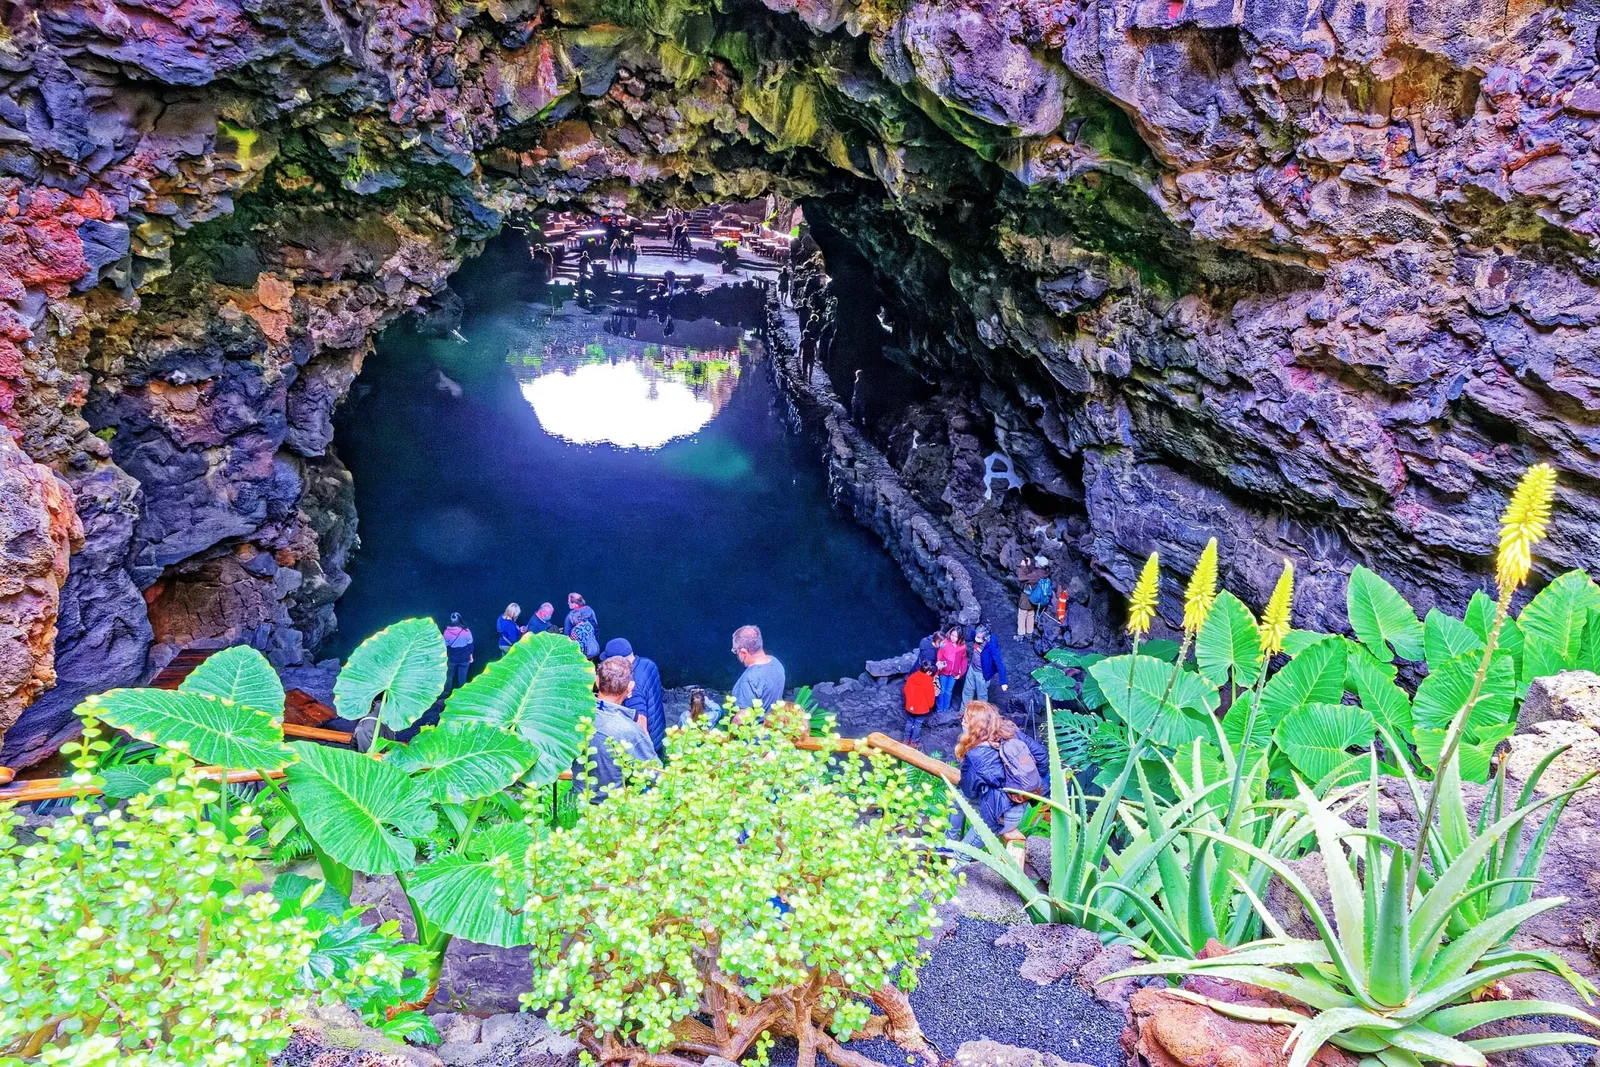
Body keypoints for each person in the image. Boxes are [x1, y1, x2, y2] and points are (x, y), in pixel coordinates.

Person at [948, 701, 1049, 851]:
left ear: (976, 726)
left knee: (962, 854)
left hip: (1000, 815)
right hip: (1015, 805)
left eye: (966, 719)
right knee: (959, 798)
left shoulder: (977, 755)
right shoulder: (1012, 733)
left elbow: (970, 790)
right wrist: (1024, 785)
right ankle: (948, 843)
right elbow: (1042, 757)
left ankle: (950, 844)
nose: (962, 721)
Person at [577, 655, 660, 802]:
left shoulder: (576, 715)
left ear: (596, 681)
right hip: (611, 809)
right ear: (630, 687)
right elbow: (656, 774)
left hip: (576, 800)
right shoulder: (631, 732)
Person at [605, 637, 666, 756]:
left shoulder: (630, 687)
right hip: (659, 731)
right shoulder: (648, 664)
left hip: (649, 745)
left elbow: (640, 727)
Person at [727, 624, 785, 722]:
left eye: (736, 651)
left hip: (753, 735)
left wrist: (730, 736)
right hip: (772, 727)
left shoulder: (749, 679)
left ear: (743, 652)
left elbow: (741, 718)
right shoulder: (776, 663)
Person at [965, 625, 1007, 703]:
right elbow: (971, 633)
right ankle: (963, 710)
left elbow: (999, 663)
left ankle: (982, 714)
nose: (976, 638)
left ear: (985, 638)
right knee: (967, 691)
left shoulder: (992, 646)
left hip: (982, 674)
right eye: (976, 636)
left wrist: (1003, 682)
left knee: (981, 696)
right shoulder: (977, 635)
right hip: (972, 668)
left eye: (979, 637)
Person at [902, 660, 937, 747]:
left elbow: (906, 690)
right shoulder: (928, 681)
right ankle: (914, 741)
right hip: (921, 709)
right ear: (928, 672)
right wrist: (930, 705)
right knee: (917, 724)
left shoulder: (912, 677)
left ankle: (906, 739)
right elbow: (930, 696)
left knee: (909, 722)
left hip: (910, 706)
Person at [934, 625, 967, 714]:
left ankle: (946, 709)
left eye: (956, 636)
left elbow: (963, 660)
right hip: (943, 672)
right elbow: (939, 657)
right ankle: (939, 709)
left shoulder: (962, 647)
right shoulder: (944, 643)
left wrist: (960, 673)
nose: (953, 638)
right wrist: (937, 671)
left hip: (954, 673)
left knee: (948, 691)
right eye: (952, 635)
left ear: (959, 637)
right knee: (942, 691)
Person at [1016, 558, 1050, 639]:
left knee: (1022, 615)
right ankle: (1029, 633)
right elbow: (1031, 574)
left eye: (1037, 562)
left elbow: (1021, 578)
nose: (1036, 563)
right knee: (1030, 614)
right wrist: (1029, 565)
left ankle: (1020, 635)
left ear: (1039, 564)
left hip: (1027, 597)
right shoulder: (1044, 572)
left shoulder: (1036, 574)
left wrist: (1022, 567)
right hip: (1035, 598)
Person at [443, 612, 474, 692]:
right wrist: (471, 656)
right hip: (464, 658)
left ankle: (446, 692)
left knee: (449, 676)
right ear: (460, 620)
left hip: (452, 658)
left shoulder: (446, 632)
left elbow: (445, 645)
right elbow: (470, 644)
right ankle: (461, 693)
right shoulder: (466, 631)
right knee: (462, 677)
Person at [564, 593, 600, 660]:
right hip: (592, 649)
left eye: (569, 602)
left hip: (580, 654)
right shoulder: (591, 612)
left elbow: (567, 635)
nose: (568, 603)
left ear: (574, 603)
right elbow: (596, 630)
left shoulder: (570, 616)